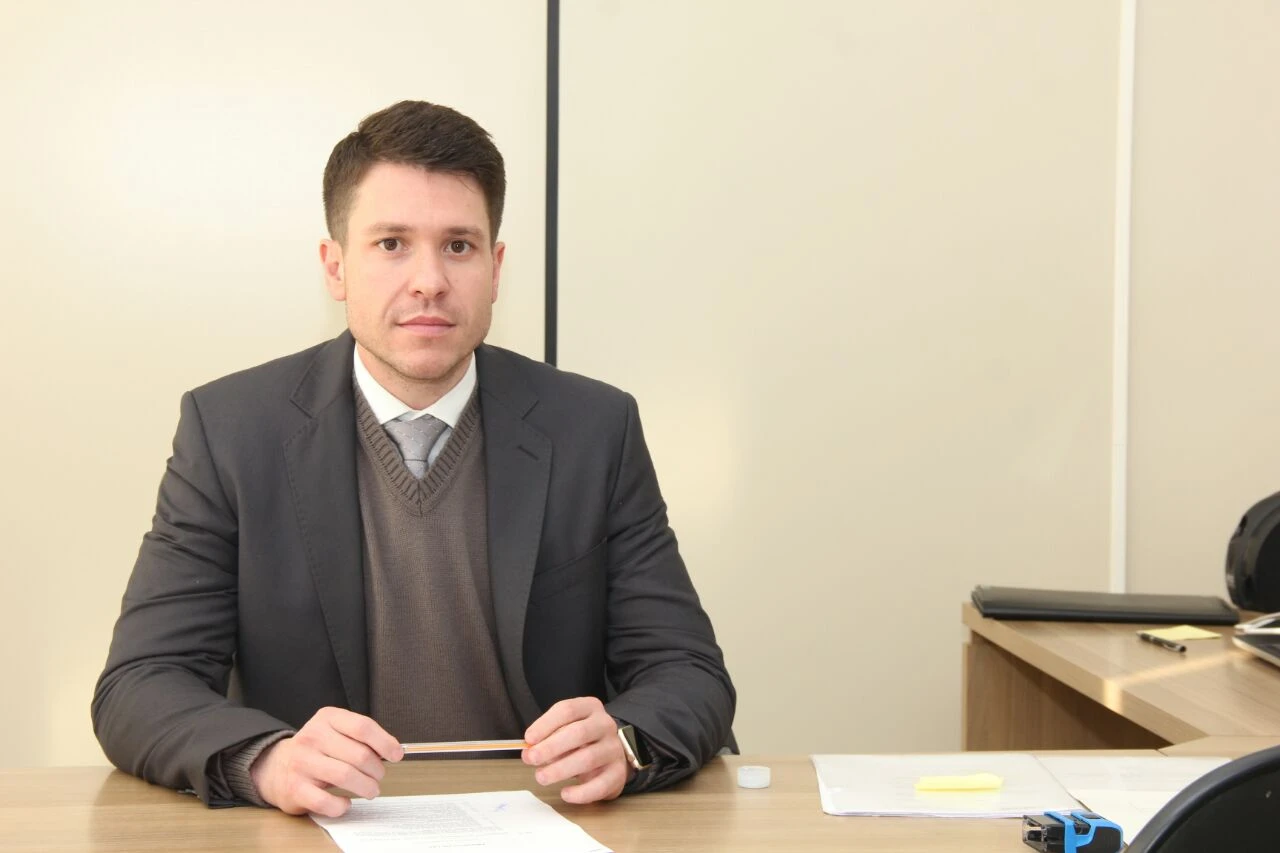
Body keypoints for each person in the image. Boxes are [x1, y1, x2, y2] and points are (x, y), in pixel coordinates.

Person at [91, 100, 735, 817]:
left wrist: (624, 741)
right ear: (336, 266)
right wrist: (266, 760)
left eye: (458, 245)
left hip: (546, 821)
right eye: (392, 243)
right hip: (324, 827)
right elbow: (141, 683)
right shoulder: (231, 431)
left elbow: (688, 672)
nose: (429, 279)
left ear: (495, 268)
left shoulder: (594, 428)